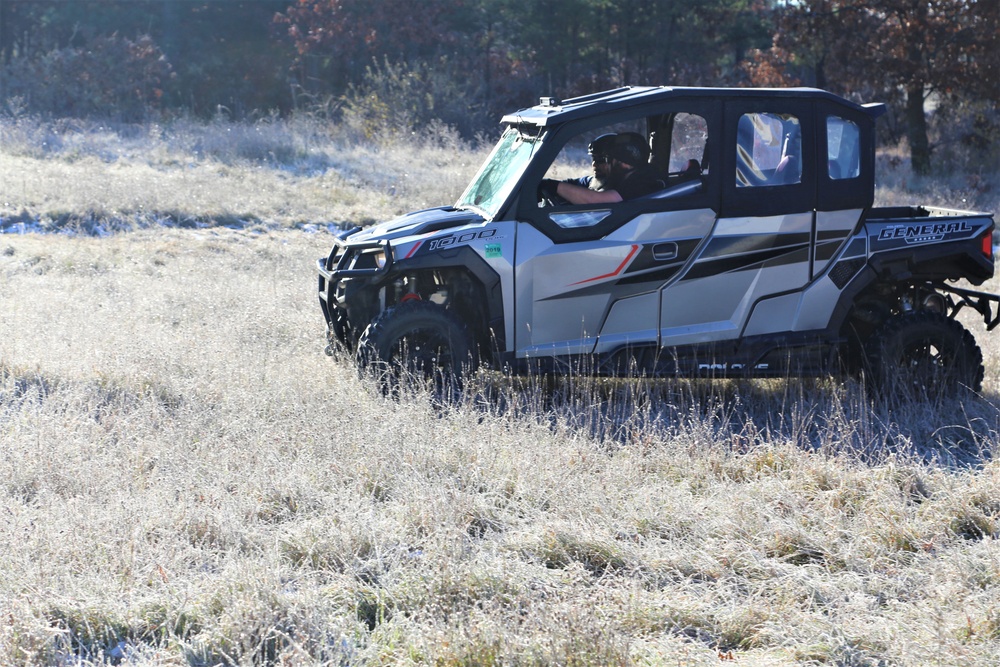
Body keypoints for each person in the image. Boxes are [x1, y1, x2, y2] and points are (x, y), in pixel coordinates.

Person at [538, 132, 665, 205]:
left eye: (601, 160)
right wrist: (544, 186)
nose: (594, 164)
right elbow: (578, 185)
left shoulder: (644, 182)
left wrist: (553, 186)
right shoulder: (610, 179)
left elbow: (598, 201)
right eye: (594, 159)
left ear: (624, 163)